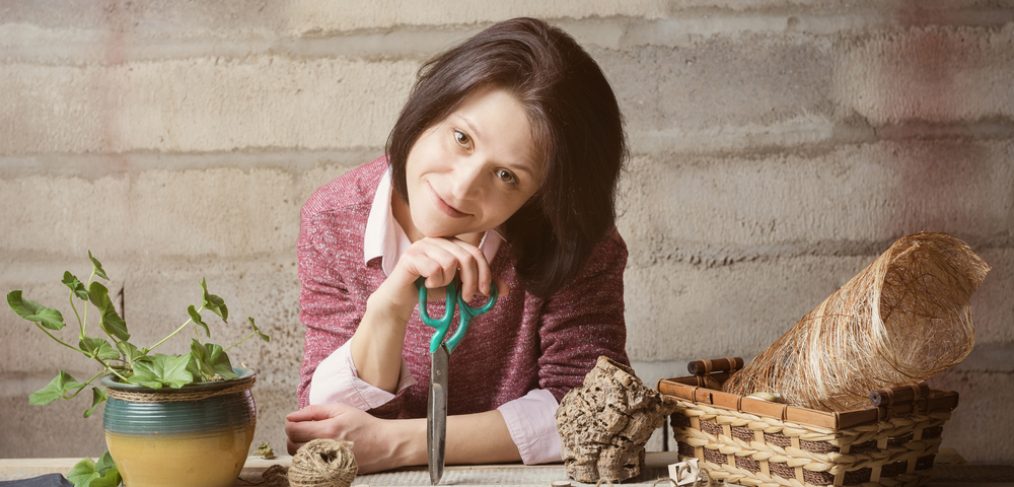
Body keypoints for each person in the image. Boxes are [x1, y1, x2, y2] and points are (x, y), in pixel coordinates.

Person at [285, 17, 629, 473]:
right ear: (431, 106)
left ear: (541, 195)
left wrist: (401, 443)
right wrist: (388, 308)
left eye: (507, 176)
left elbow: (598, 407)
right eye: (462, 138)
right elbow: (319, 431)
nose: (462, 188)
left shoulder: (574, 239)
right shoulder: (333, 218)